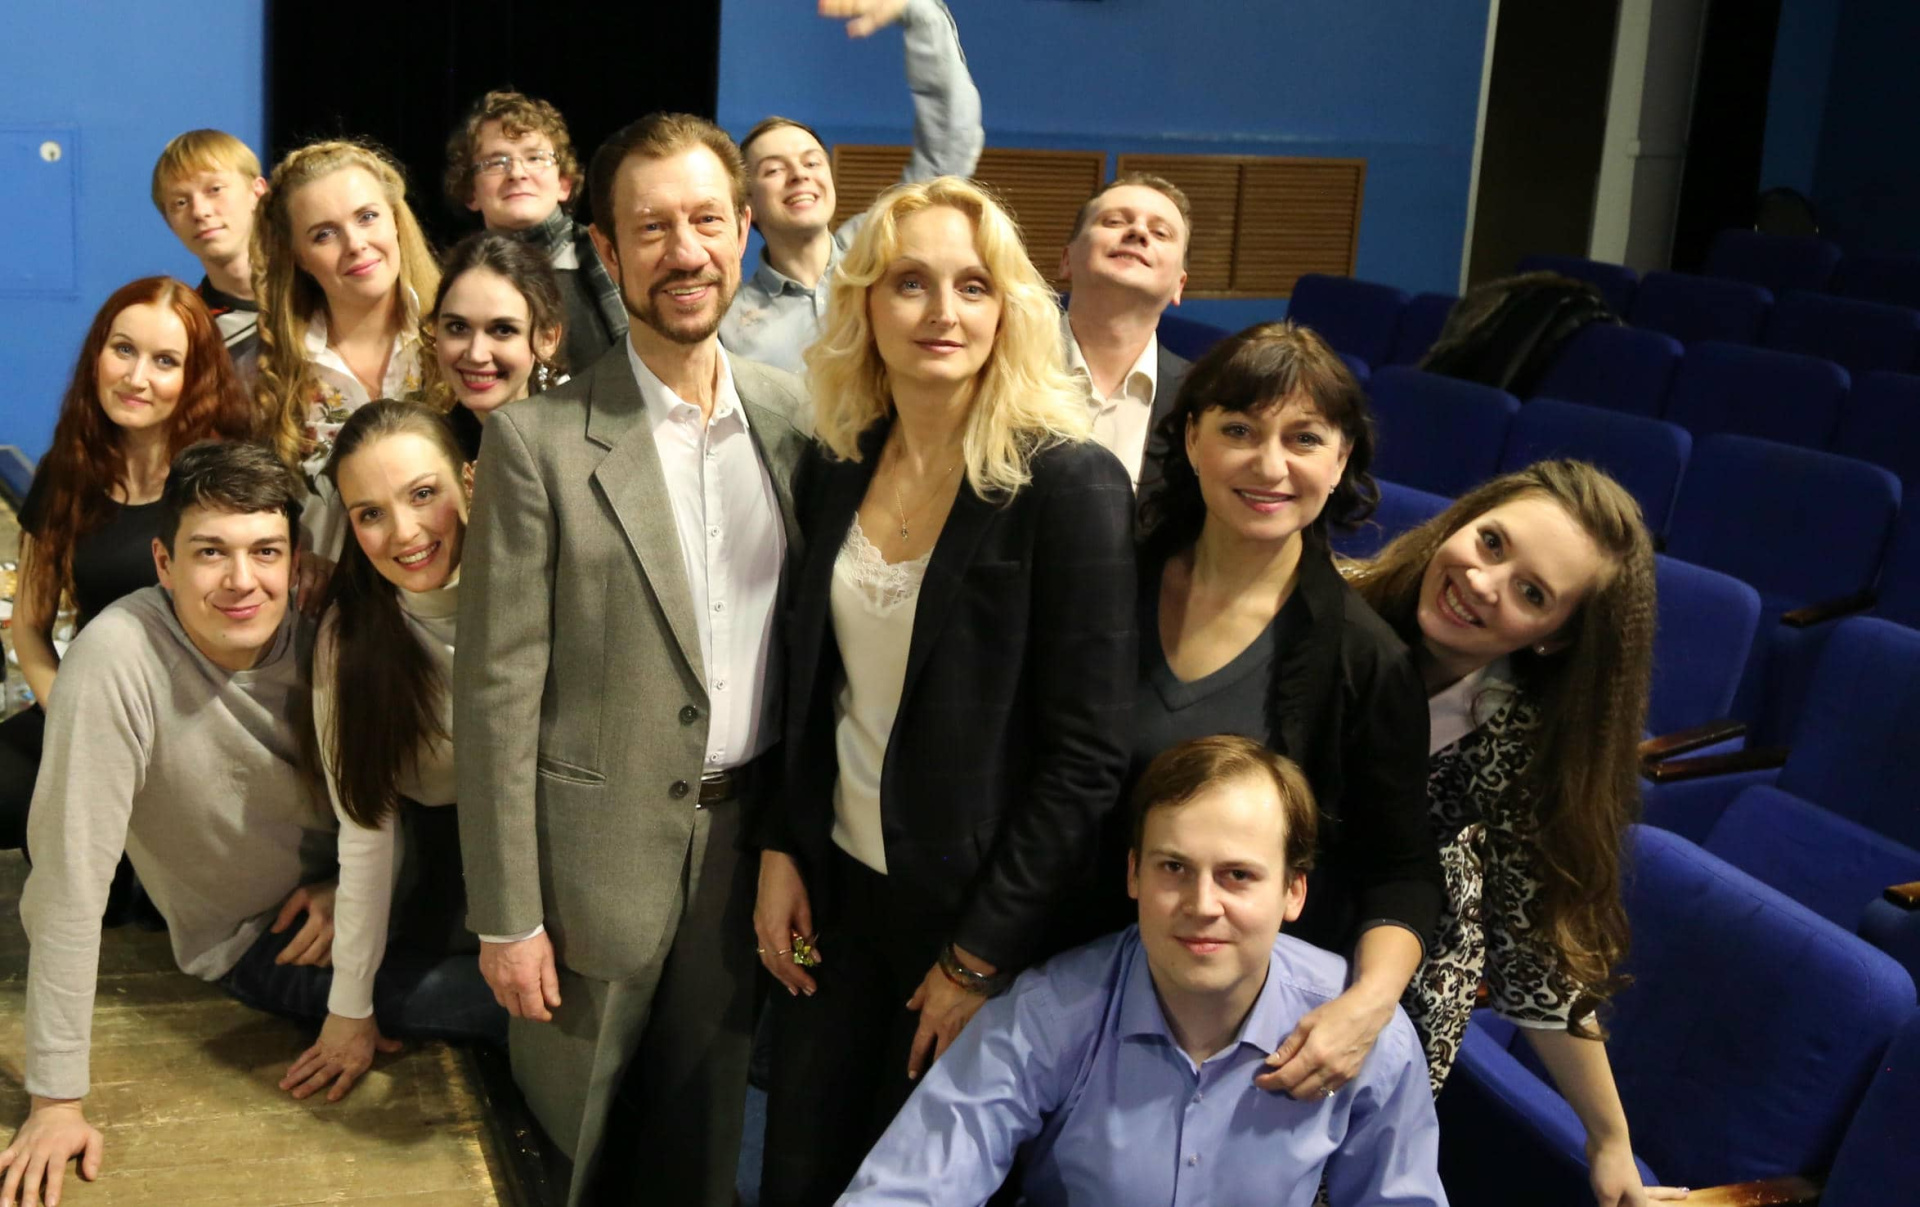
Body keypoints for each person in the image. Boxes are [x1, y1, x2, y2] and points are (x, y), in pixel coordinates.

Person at [752, 175, 1136, 1206]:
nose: (943, 311)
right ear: (866, 305)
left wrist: (977, 957)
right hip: (838, 897)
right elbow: (811, 686)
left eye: (973, 285)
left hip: (974, 919)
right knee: (799, 1173)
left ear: (1008, 308)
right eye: (910, 283)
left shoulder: (1070, 483)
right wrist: (784, 843)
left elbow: (1088, 758)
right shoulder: (839, 461)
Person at [455, 112, 810, 1207]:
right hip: (587, 874)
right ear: (605, 250)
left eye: (705, 220)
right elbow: (496, 693)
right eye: (651, 228)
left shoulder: (801, 422)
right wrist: (508, 912)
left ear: (743, 231)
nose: (683, 251)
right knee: (574, 1158)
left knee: (703, 1154)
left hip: (747, 855)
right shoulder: (538, 443)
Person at [0, 442, 496, 1207]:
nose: (241, 580)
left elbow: (389, 798)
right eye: (210, 552)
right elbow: (67, 885)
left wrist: (346, 883)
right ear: (164, 563)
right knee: (505, 1004)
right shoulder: (116, 661)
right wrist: (55, 1100)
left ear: (295, 560)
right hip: (266, 938)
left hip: (388, 880)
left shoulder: (326, 624)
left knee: (549, 957)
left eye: (265, 550)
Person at [840, 735, 1446, 1207]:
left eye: (1237, 875)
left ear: (1294, 891)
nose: (1202, 905)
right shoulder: (1047, 1014)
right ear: (1133, 874)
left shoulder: (1366, 1033)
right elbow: (912, 1184)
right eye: (1174, 868)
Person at [1117, 320, 1442, 1106]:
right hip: (1067, 979)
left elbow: (1401, 871)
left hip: (1230, 1021)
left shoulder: (1366, 659)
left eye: (1304, 438)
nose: (1270, 465)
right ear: (1191, 438)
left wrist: (1367, 1007)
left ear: (1340, 460)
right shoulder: (1107, 578)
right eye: (1239, 430)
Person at [1347, 461, 1687, 1207]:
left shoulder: (1526, 743)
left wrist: (1609, 1141)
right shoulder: (1337, 602)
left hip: (1399, 975)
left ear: (1554, 639)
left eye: (1532, 593)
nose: (1482, 582)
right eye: (1491, 542)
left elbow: (1534, 955)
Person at [290, 400, 507, 1103]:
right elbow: (367, 832)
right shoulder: (350, 640)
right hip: (442, 889)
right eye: (370, 513)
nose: (405, 533)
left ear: (469, 481)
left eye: (422, 494)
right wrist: (349, 1010)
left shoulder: (531, 589)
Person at [0, 277, 256, 854]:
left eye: (165, 361)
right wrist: (72, 715)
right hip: (87, 710)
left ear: (194, 377)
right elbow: (30, 627)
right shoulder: (67, 468)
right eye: (123, 349)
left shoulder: (225, 479)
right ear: (98, 354)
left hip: (195, 726)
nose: (136, 377)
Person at [719, 0, 984, 373]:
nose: (800, 174)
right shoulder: (729, 325)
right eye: (774, 169)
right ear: (748, 207)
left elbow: (948, 150)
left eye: (812, 162)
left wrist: (920, 14)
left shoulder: (881, 243)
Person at [251, 138, 441, 580]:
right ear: (298, 257)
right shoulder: (270, 370)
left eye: (367, 217)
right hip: (330, 605)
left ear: (396, 221)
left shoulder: (457, 336)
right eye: (324, 234)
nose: (355, 244)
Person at [442, 90, 625, 372]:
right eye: (496, 162)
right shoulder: (458, 279)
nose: (517, 173)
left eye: (535, 158)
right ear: (471, 192)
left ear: (564, 183)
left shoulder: (613, 257)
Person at [1059, 173, 1194, 491]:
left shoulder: (1203, 399)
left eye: (1160, 233)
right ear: (1066, 260)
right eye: (1115, 221)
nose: (1138, 232)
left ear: (1179, 285)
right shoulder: (994, 365)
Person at [426, 232, 567, 461]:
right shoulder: (426, 455)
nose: (476, 354)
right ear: (435, 330)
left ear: (547, 340)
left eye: (503, 330)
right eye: (458, 327)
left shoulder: (583, 437)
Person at [150, 129, 269, 362]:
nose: (199, 211)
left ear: (257, 192)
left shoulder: (322, 287)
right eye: (180, 202)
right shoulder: (190, 331)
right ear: (169, 222)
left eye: (215, 189)